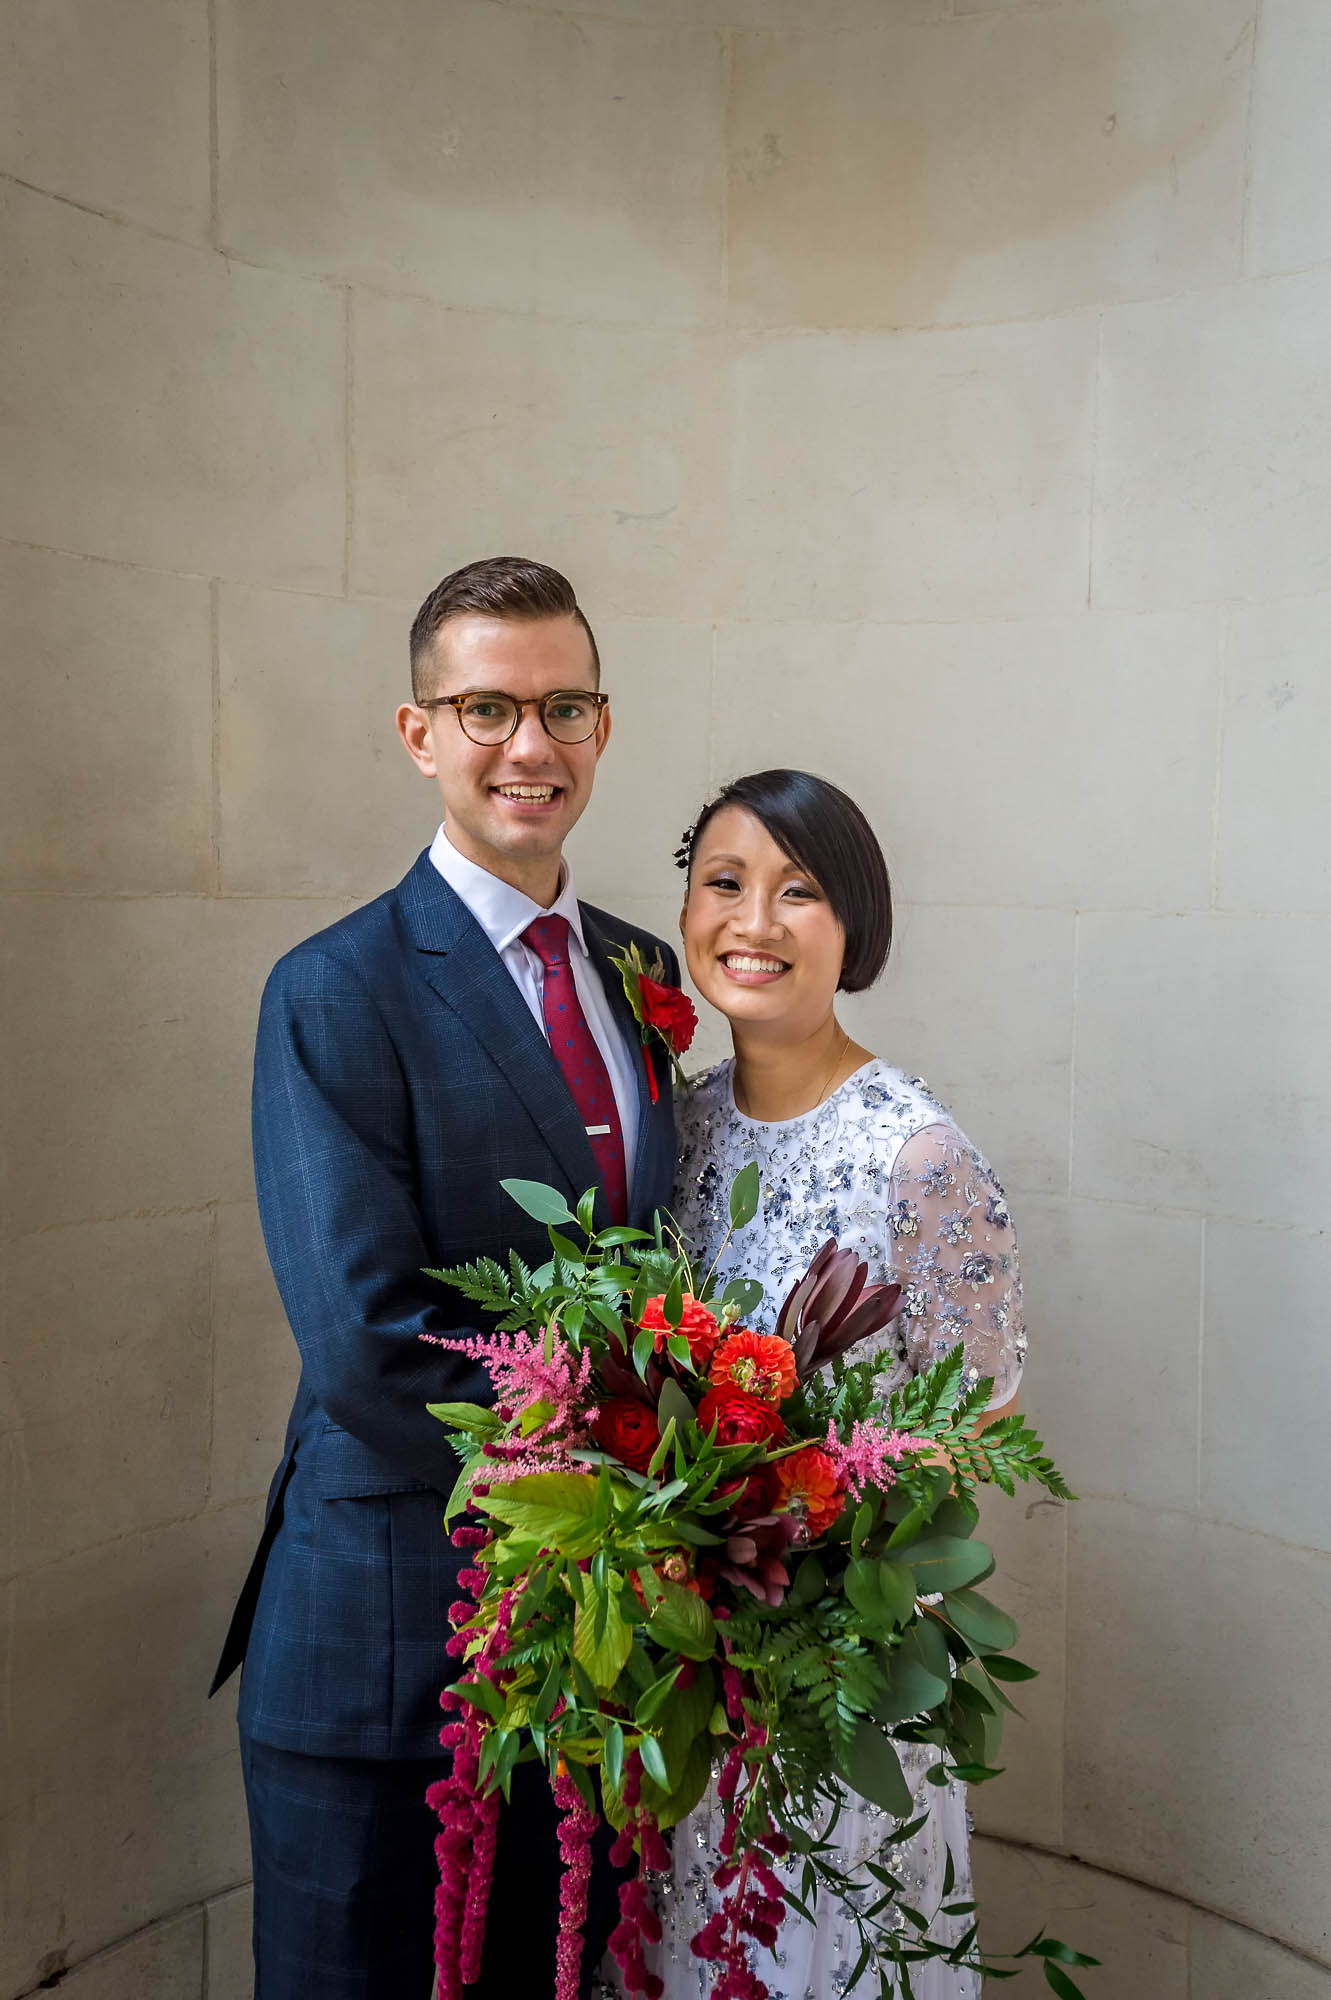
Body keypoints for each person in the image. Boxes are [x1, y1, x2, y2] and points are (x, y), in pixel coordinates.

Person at [210, 557, 680, 2000]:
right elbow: (367, 1342)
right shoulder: (335, 987)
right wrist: (626, 1485)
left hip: (593, 1651)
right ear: (419, 734)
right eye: (485, 708)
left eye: (563, 707)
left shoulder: (643, 968)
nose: (528, 746)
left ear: (602, 726)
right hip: (392, 1642)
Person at [652, 769, 1027, 2000]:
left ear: (851, 925)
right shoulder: (677, 1128)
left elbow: (972, 1435)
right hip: (685, 1685)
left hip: (839, 1692)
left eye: (797, 890)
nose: (752, 920)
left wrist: (810, 1549)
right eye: (724, 882)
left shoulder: (916, 1156)